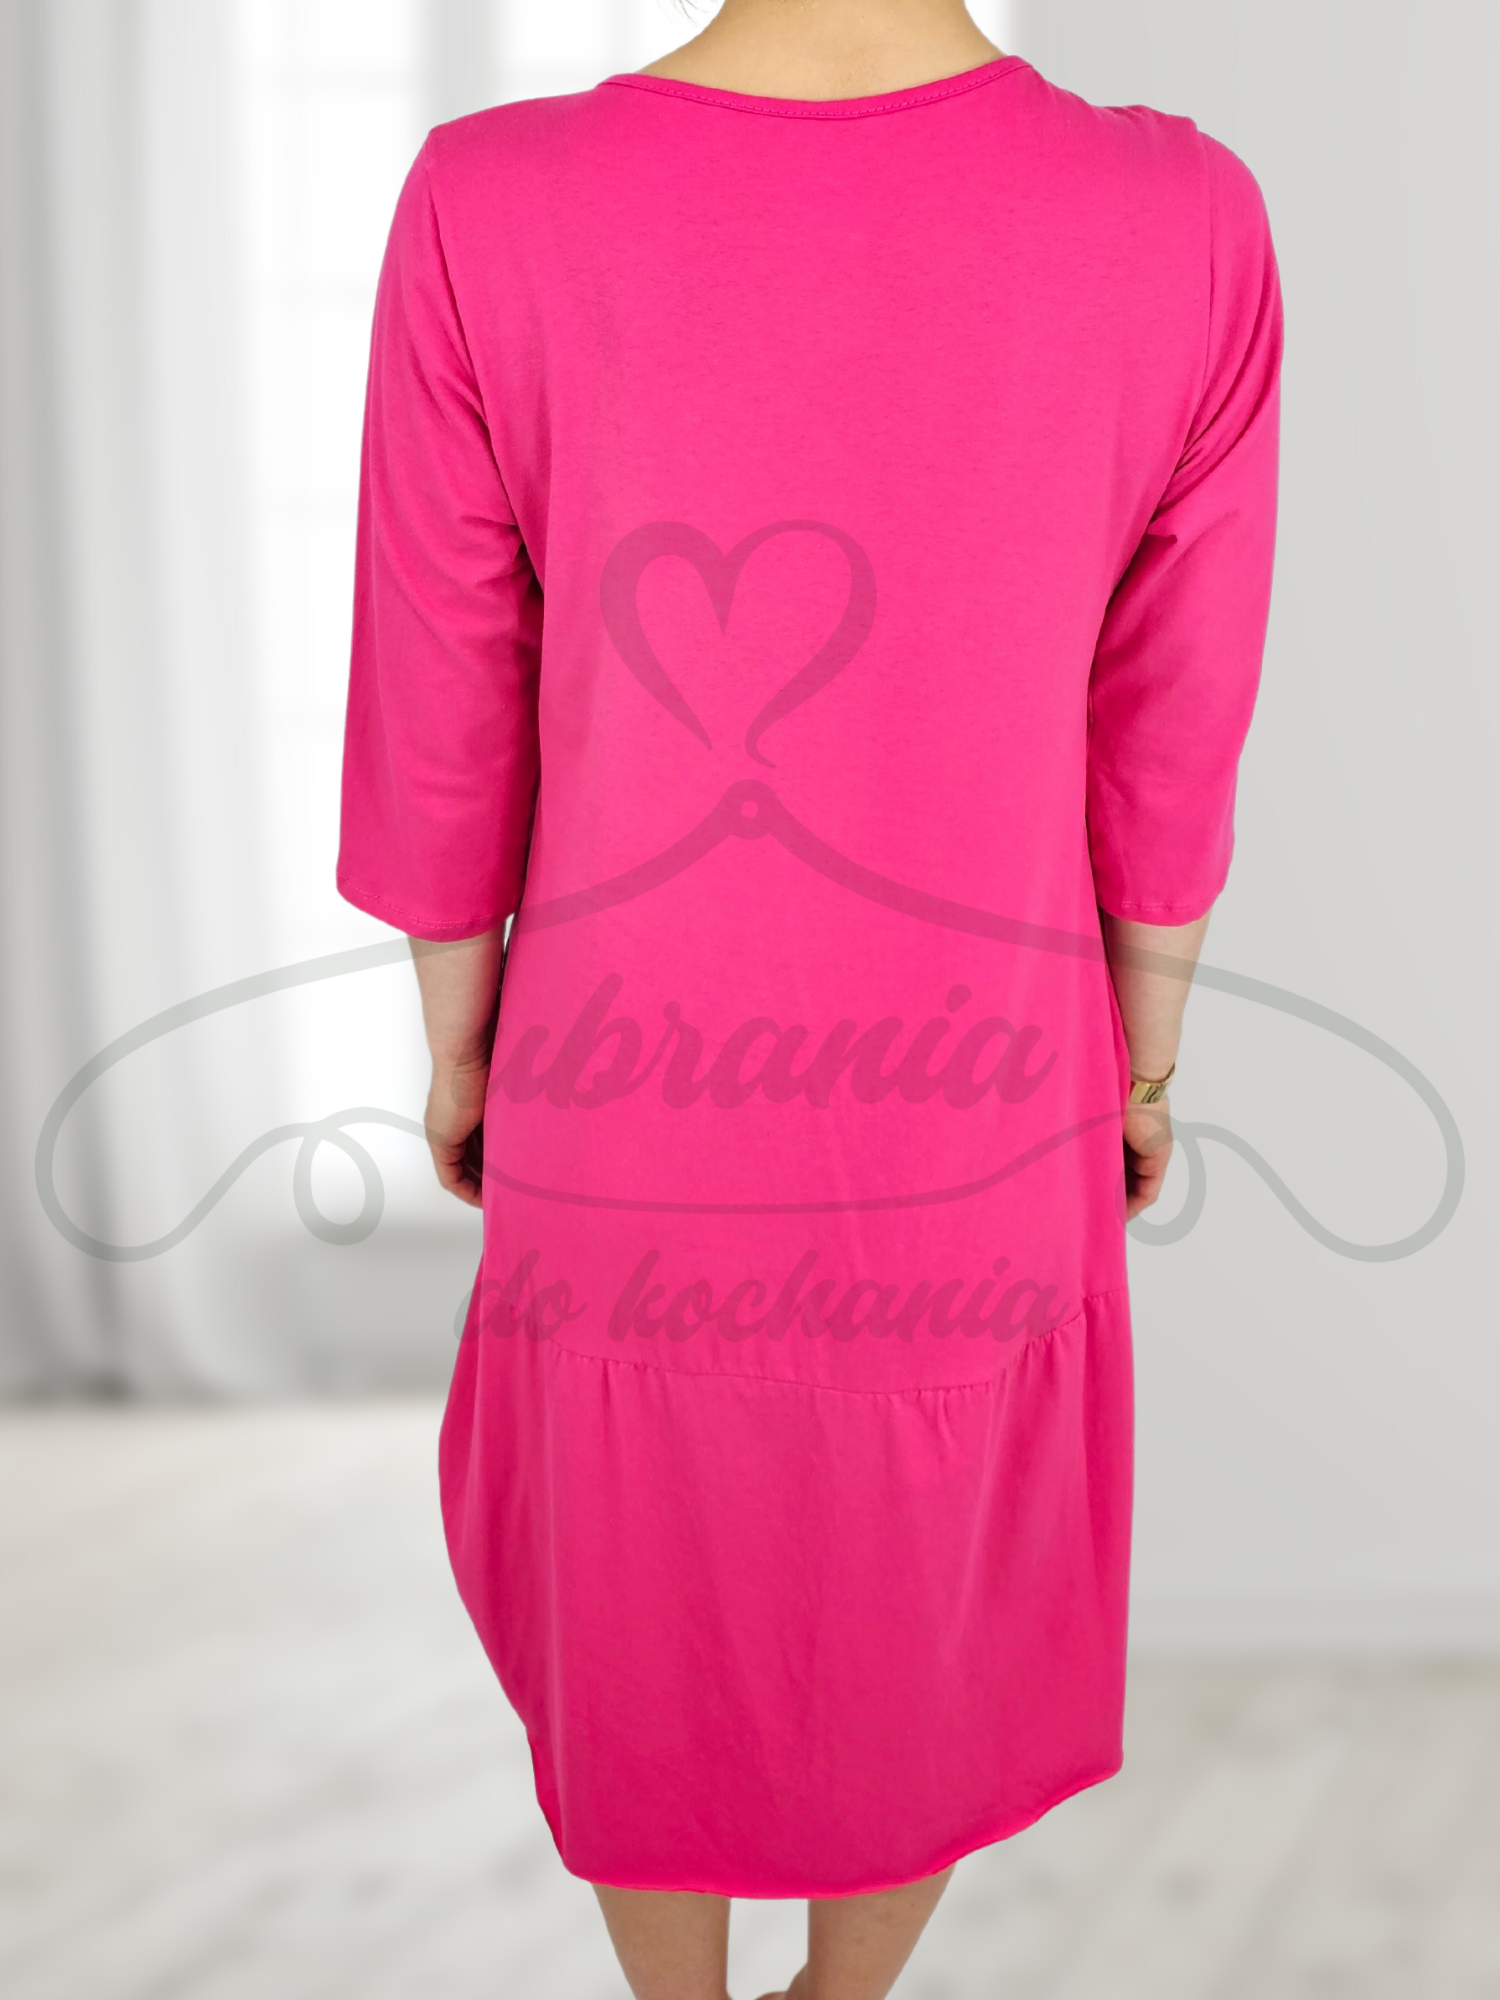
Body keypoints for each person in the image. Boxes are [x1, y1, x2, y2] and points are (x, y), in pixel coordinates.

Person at [336, 0, 1282, 1994]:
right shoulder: (1180, 217)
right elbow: (1171, 713)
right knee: (928, 1562)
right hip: (990, 1058)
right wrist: (1148, 1043)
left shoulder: (489, 205)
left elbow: (442, 694)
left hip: (620, 1056)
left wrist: (460, 1034)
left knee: (636, 1564)